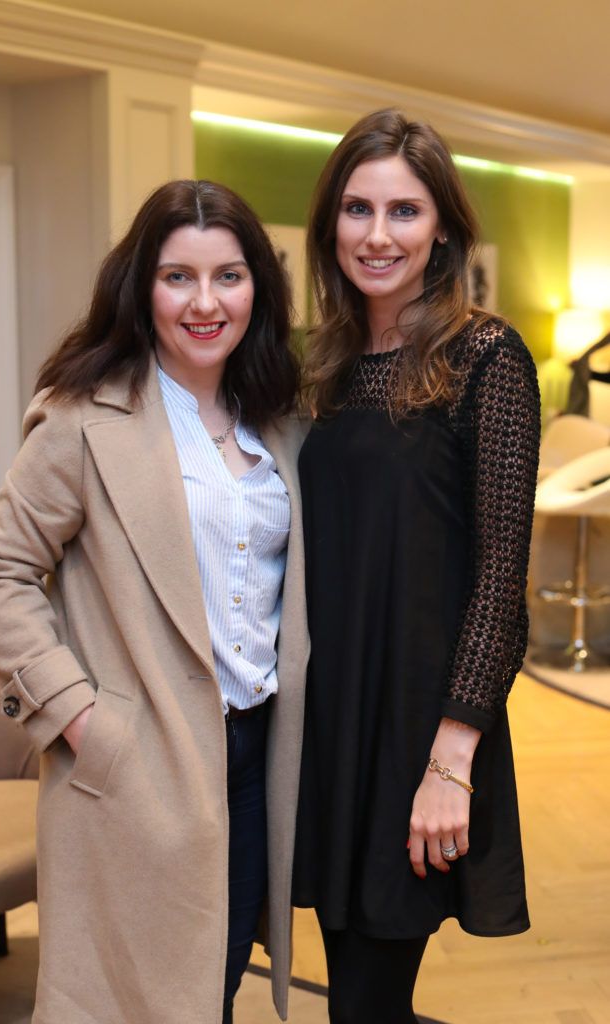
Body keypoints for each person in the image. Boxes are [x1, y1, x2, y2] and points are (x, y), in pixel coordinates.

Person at [0, 179, 309, 1024]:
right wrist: (80, 717)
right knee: (137, 1000)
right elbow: (1, 568)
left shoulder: (281, 416)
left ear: (257, 287)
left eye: (227, 276)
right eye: (176, 277)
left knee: (215, 981)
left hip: (256, 750)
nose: (204, 302)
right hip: (140, 760)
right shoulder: (84, 415)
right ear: (140, 286)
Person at [291, 109, 540, 1023]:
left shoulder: (483, 356)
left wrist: (451, 758)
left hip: (417, 732)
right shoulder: (324, 365)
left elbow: (499, 582)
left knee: (366, 1000)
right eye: (357, 209)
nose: (377, 234)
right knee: (355, 993)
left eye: (403, 211)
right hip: (328, 721)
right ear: (331, 227)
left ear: (441, 228)